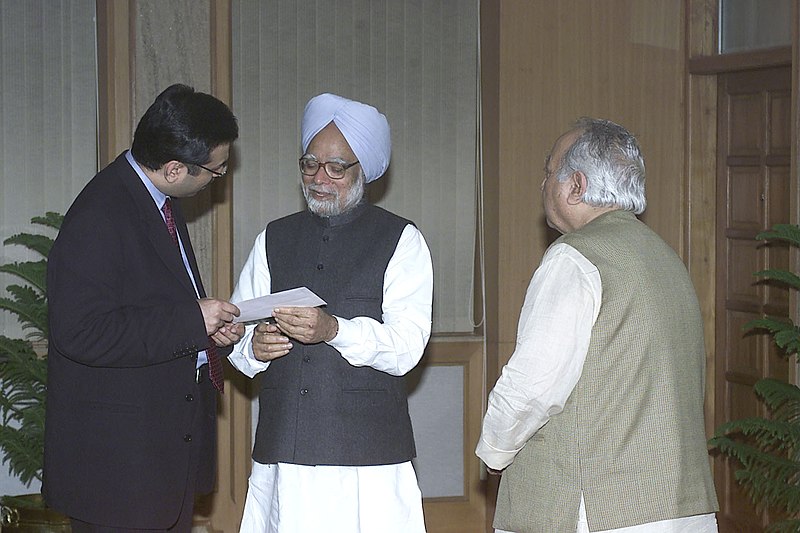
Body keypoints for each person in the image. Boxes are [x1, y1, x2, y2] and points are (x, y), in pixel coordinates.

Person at [476, 118, 719, 533]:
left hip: (600, 508)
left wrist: (496, 451)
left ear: (576, 186)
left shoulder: (573, 259)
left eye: (549, 171)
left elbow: (532, 384)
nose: (543, 184)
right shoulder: (667, 258)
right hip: (682, 504)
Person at [43, 83, 244, 532]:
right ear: (175, 168)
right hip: (118, 473)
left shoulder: (155, 203)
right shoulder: (100, 214)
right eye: (215, 170)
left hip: (155, 464)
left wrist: (207, 335)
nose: (219, 178)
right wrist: (192, 320)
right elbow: (80, 332)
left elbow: (153, 308)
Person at [229, 93, 433, 533]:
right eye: (310, 164)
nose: (320, 178)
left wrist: (333, 329)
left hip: (368, 460)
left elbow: (407, 347)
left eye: (336, 168)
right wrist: (256, 347)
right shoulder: (273, 238)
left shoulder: (401, 240)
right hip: (286, 451)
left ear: (365, 172)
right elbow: (236, 333)